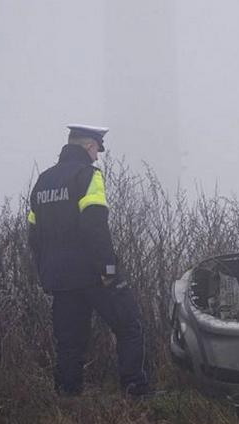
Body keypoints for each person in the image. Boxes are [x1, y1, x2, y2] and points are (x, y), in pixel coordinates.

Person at [27, 124, 151, 397]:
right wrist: (108, 269)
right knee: (130, 326)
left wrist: (46, 272)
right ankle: (136, 392)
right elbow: (95, 225)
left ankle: (68, 399)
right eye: (97, 151)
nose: (97, 157)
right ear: (88, 146)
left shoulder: (43, 181)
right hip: (93, 275)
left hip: (59, 278)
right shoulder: (88, 175)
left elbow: (34, 235)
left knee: (69, 343)